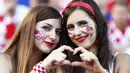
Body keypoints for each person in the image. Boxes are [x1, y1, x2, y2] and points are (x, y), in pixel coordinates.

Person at [0, 5, 73, 73]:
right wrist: (42, 68)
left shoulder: (58, 66)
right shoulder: (4, 60)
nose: (53, 37)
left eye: (58, 32)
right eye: (46, 28)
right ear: (29, 28)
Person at [62, 0, 130, 73]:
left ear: (97, 23)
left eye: (82, 23)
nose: (77, 32)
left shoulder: (122, 60)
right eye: (70, 27)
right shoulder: (64, 65)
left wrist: (101, 71)